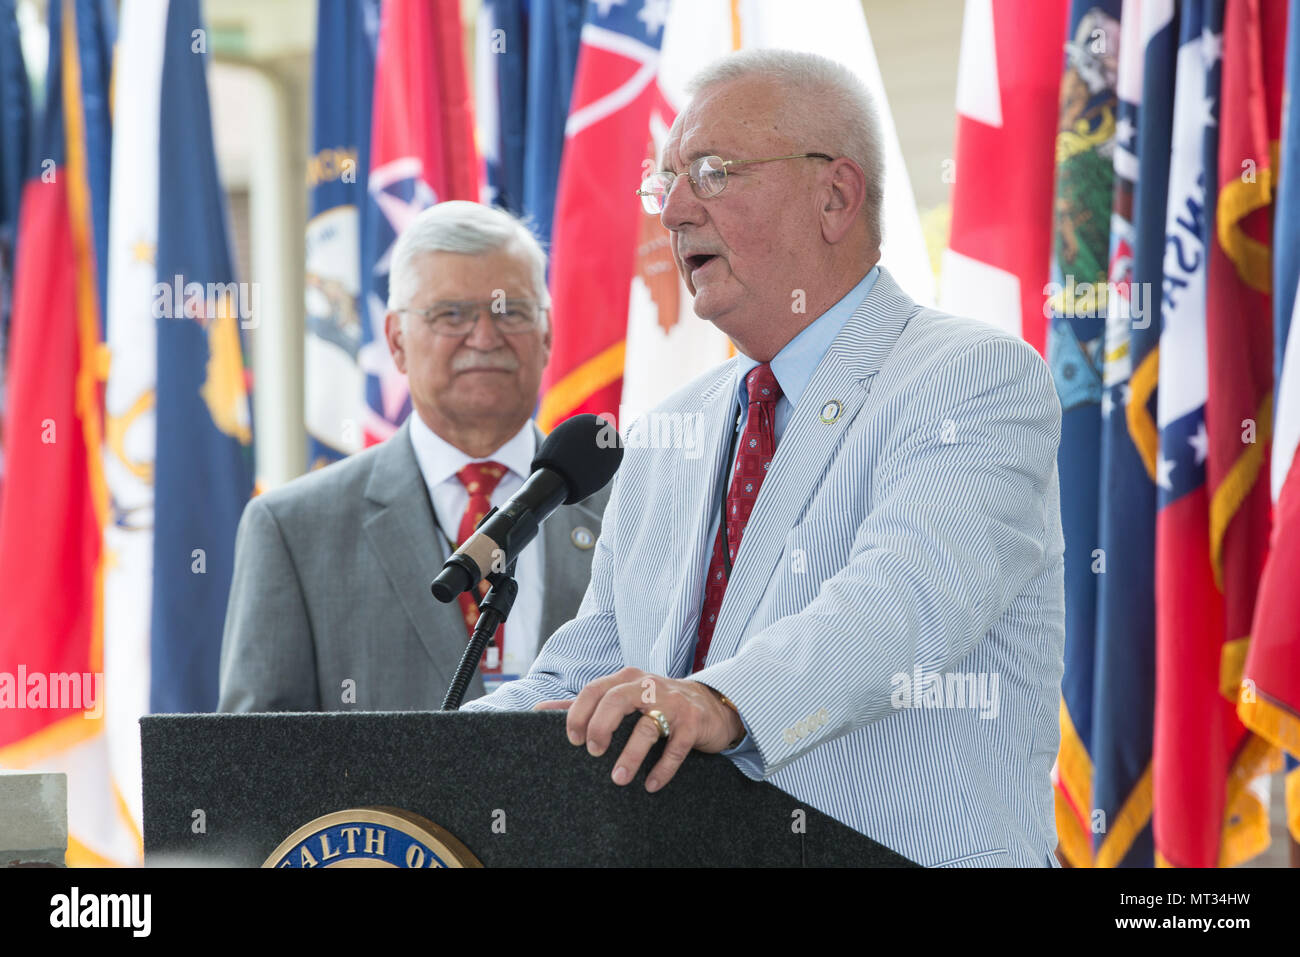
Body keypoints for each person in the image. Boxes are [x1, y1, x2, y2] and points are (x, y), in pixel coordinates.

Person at [463, 50, 1066, 868]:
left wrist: (717, 700)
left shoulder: (972, 380)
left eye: (710, 173)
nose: (673, 211)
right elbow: (594, 664)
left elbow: (903, 602)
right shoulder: (671, 429)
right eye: (665, 181)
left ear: (835, 196)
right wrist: (434, 764)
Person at [218, 202, 609, 712]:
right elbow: (252, 758)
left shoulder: (630, 507)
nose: (485, 338)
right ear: (396, 341)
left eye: (510, 311)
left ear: (548, 333)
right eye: (451, 314)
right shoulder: (292, 528)